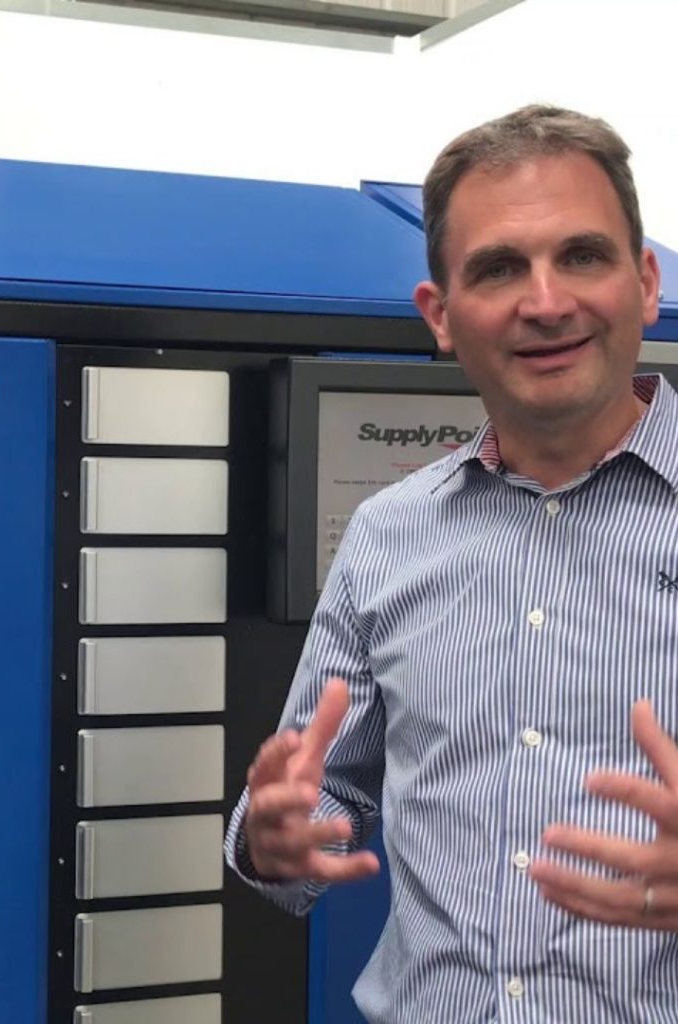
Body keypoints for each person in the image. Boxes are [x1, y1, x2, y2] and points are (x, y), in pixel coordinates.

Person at [225, 104, 678, 1022]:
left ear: (645, 281)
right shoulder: (389, 533)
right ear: (440, 315)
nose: (546, 302)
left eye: (582, 255)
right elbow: (323, 791)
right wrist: (272, 837)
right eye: (499, 267)